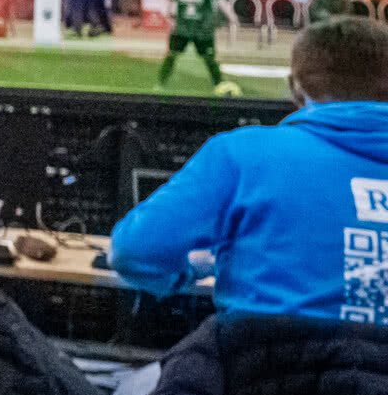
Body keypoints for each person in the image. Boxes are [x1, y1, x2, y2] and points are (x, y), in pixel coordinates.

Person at [112, 16, 388, 322]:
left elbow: (134, 252)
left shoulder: (242, 153)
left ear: (295, 90)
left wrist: (192, 271)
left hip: (267, 349)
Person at [157, 0, 239, 96]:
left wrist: (232, 16)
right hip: (182, 27)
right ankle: (160, 85)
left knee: (209, 58)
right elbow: (172, 2)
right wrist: (170, 19)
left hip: (202, 28)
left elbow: (219, 0)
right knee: (171, 55)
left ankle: (220, 86)